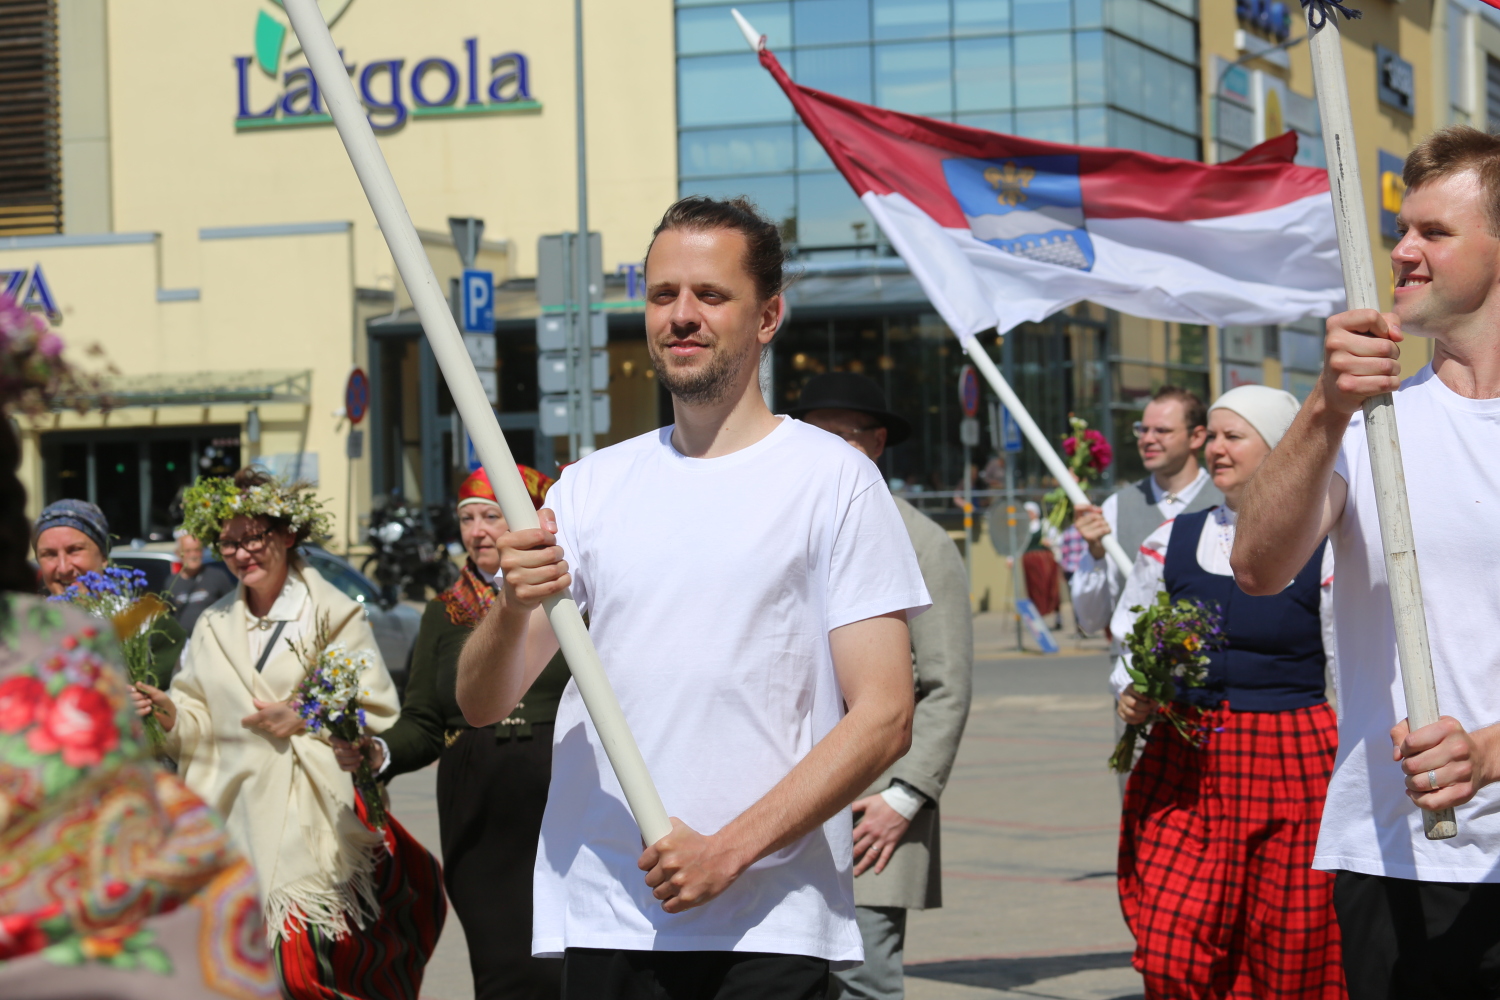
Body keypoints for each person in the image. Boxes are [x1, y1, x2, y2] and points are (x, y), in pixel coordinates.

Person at [457, 196, 930, 1000]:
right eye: (662, 294)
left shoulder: (834, 480)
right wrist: (512, 608)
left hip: (767, 922)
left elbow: (885, 715)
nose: (681, 315)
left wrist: (727, 851)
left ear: (768, 315)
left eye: (711, 295)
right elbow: (480, 702)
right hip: (609, 909)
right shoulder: (590, 488)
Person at [1232, 125, 1500, 998]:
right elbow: (1257, 568)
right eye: (1401, 229)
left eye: (1435, 232)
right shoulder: (1370, 427)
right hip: (1392, 857)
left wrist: (1488, 753)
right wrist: (1323, 406)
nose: (1403, 251)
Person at [129, 468, 444, 1000]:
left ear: (288, 534)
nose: (241, 553)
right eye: (229, 543)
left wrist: (303, 714)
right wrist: (169, 716)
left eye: (254, 537)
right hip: (233, 817)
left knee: (306, 968)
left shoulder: (334, 612)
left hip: (311, 821)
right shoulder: (212, 623)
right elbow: (199, 719)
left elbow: (371, 706)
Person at [1111, 386, 1343, 998]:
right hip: (1185, 758)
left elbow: (1347, 664)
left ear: (1280, 448)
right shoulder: (1172, 540)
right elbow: (1133, 637)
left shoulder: (1324, 546)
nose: (1215, 448)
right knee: (1171, 944)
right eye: (1211, 435)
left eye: (1232, 436)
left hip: (1290, 758)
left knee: (1287, 944)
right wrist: (1132, 690)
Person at [334, 464, 569, 1000]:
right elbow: (423, 721)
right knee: (502, 965)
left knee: (566, 967)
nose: (478, 531)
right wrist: (377, 751)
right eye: (468, 519)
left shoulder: (565, 596)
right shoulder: (444, 613)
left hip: (560, 792)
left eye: (492, 516)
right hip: (478, 809)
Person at [791, 373, 974, 1000]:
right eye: (813, 433)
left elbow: (946, 686)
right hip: (785, 800)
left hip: (873, 809)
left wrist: (906, 796)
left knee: (863, 982)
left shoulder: (920, 541)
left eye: (841, 435)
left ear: (875, 443)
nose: (825, 448)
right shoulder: (783, 526)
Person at [1069, 386, 1223, 636]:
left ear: (1196, 437)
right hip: (1133, 660)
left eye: (1162, 430)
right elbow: (1090, 621)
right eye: (1143, 429)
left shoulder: (1228, 502)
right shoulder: (1116, 507)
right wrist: (1096, 555)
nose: (1147, 439)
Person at [35, 498, 188, 687]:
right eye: (49, 554)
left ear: (104, 556)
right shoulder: (25, 630)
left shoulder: (146, 622)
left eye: (74, 550)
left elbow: (191, 698)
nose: (64, 567)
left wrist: (150, 701)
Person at [166, 529, 236, 636]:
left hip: (212, 638)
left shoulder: (217, 576)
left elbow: (232, 608)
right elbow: (167, 617)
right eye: (187, 551)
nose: (193, 555)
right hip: (183, 642)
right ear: (178, 553)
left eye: (197, 550)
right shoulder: (171, 582)